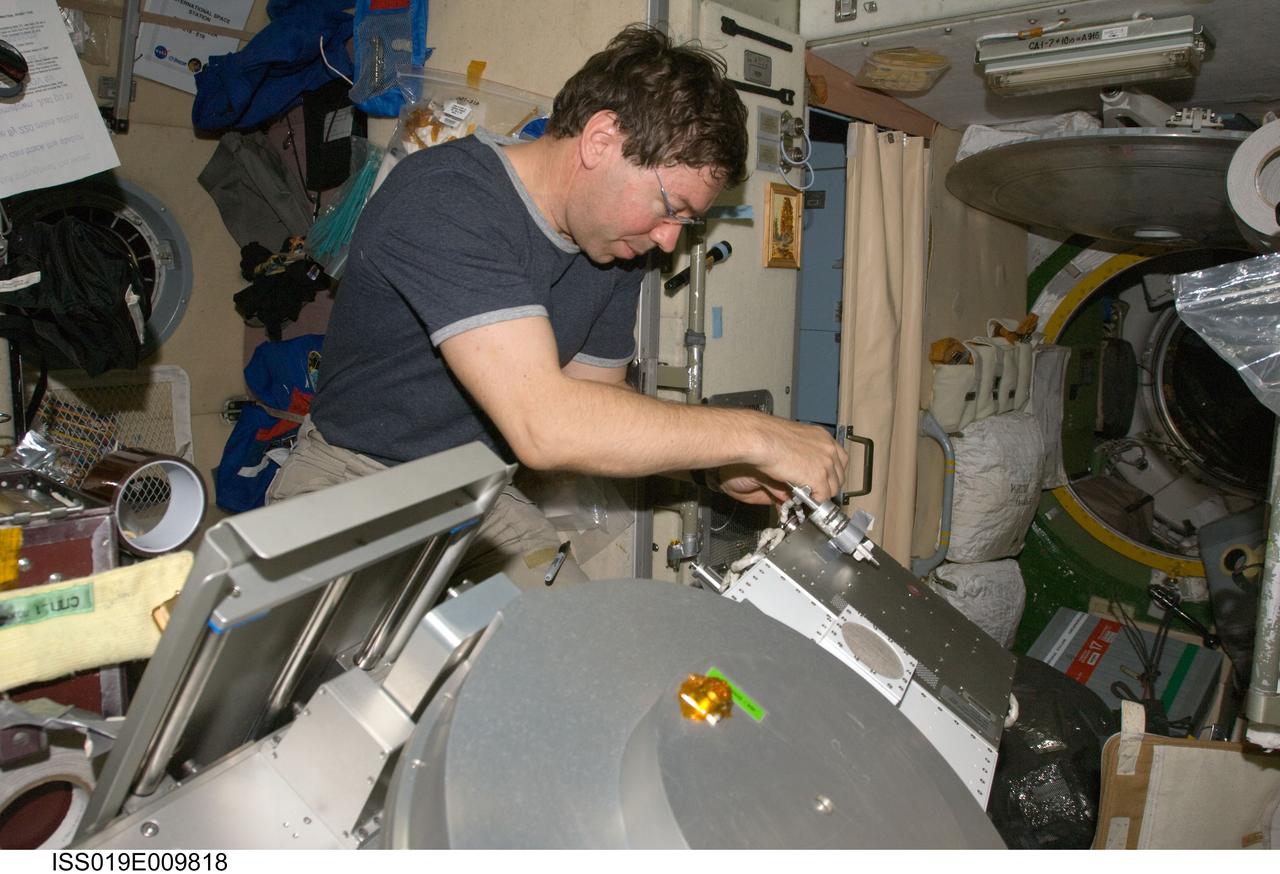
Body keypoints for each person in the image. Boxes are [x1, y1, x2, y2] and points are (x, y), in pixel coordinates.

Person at [268, 24, 848, 588]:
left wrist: (716, 468)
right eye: (670, 208)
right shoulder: (447, 197)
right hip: (354, 482)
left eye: (687, 222)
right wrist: (757, 435)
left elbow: (597, 405)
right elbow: (545, 425)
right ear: (600, 141)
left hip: (473, 493)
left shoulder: (615, 248)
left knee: (582, 645)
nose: (670, 239)